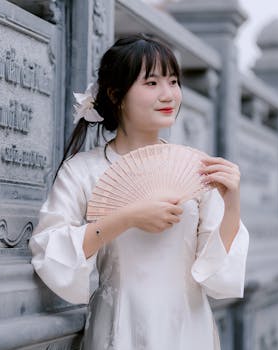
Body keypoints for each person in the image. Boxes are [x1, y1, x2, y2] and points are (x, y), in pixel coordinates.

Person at [29, 33, 249, 350]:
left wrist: (232, 203)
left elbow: (218, 272)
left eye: (173, 81)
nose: (168, 94)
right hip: (119, 324)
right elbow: (49, 249)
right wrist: (129, 216)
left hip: (187, 327)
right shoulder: (83, 171)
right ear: (116, 94)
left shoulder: (196, 169)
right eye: (151, 83)